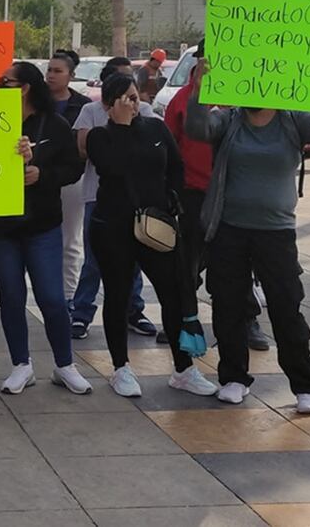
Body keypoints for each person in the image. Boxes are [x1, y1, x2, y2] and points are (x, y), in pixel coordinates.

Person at [185, 57, 310, 413]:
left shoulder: (293, 118)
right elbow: (197, 129)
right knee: (228, 305)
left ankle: (306, 387)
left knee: (286, 308)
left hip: (276, 233)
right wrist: (200, 91)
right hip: (229, 230)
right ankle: (234, 378)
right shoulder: (230, 119)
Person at [86, 73, 217, 398]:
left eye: (135, 96)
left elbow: (175, 165)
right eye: (125, 99)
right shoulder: (99, 137)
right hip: (113, 228)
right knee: (118, 296)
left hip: (156, 226)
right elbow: (113, 167)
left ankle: (183, 368)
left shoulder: (156, 128)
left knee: (173, 293)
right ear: (108, 105)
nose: (134, 103)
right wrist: (119, 125)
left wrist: (169, 197)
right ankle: (121, 367)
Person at [0, 62, 91, 395]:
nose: (0, 86)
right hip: (0, 228)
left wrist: (42, 173)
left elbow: (73, 167)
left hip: (41, 225)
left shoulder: (53, 124)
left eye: (6, 82)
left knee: (52, 298)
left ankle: (65, 364)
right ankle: (21, 365)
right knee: (11, 297)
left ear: (25, 87)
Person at [163, 40, 268, 352]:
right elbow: (169, 147)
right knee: (187, 265)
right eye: (206, 57)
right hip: (192, 196)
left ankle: (248, 321)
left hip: (233, 198)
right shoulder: (181, 100)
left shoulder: (241, 104)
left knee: (240, 263)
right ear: (198, 60)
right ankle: (182, 319)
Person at [70, 60, 156, 340]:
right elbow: (86, 151)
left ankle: (134, 311)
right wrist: (117, 128)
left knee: (134, 260)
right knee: (94, 260)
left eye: (132, 92)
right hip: (98, 197)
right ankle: (81, 313)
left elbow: (153, 151)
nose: (130, 99)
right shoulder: (90, 111)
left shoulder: (145, 112)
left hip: (136, 200)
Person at [45, 50, 90, 311]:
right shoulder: (36, 103)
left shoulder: (82, 105)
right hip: (39, 177)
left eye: (57, 71)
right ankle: (50, 290)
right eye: (49, 70)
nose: (51, 75)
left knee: (70, 238)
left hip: (72, 178)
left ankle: (69, 294)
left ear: (71, 76)